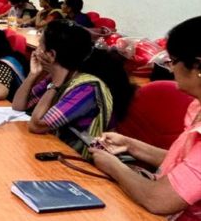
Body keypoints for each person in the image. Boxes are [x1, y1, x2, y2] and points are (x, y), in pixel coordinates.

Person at [89, 16, 201, 218]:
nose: (170, 68)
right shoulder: (197, 106)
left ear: (198, 67)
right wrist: (131, 145)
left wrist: (113, 166)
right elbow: (185, 164)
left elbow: (159, 200)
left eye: (173, 61)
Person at [12, 20, 133, 158]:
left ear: (51, 54)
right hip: (57, 147)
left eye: (40, 45)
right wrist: (33, 75)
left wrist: (55, 85)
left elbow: (36, 126)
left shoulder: (86, 89)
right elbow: (18, 106)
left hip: (82, 158)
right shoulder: (59, 73)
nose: (36, 51)